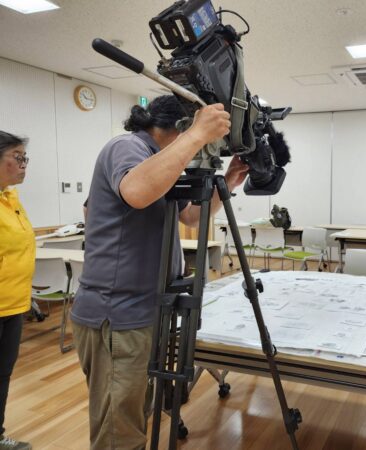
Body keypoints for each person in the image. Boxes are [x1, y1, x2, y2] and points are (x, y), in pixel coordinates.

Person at [70, 95, 248, 450]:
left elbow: (190, 216)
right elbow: (135, 192)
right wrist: (196, 136)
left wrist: (228, 180)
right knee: (119, 428)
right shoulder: (127, 147)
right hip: (117, 314)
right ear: (182, 125)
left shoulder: (160, 160)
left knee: (136, 412)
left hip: (145, 309)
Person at [0, 131, 34, 450]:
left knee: (2, 374)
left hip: (13, 305)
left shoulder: (10, 198)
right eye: (17, 157)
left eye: (25, 158)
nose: (24, 164)